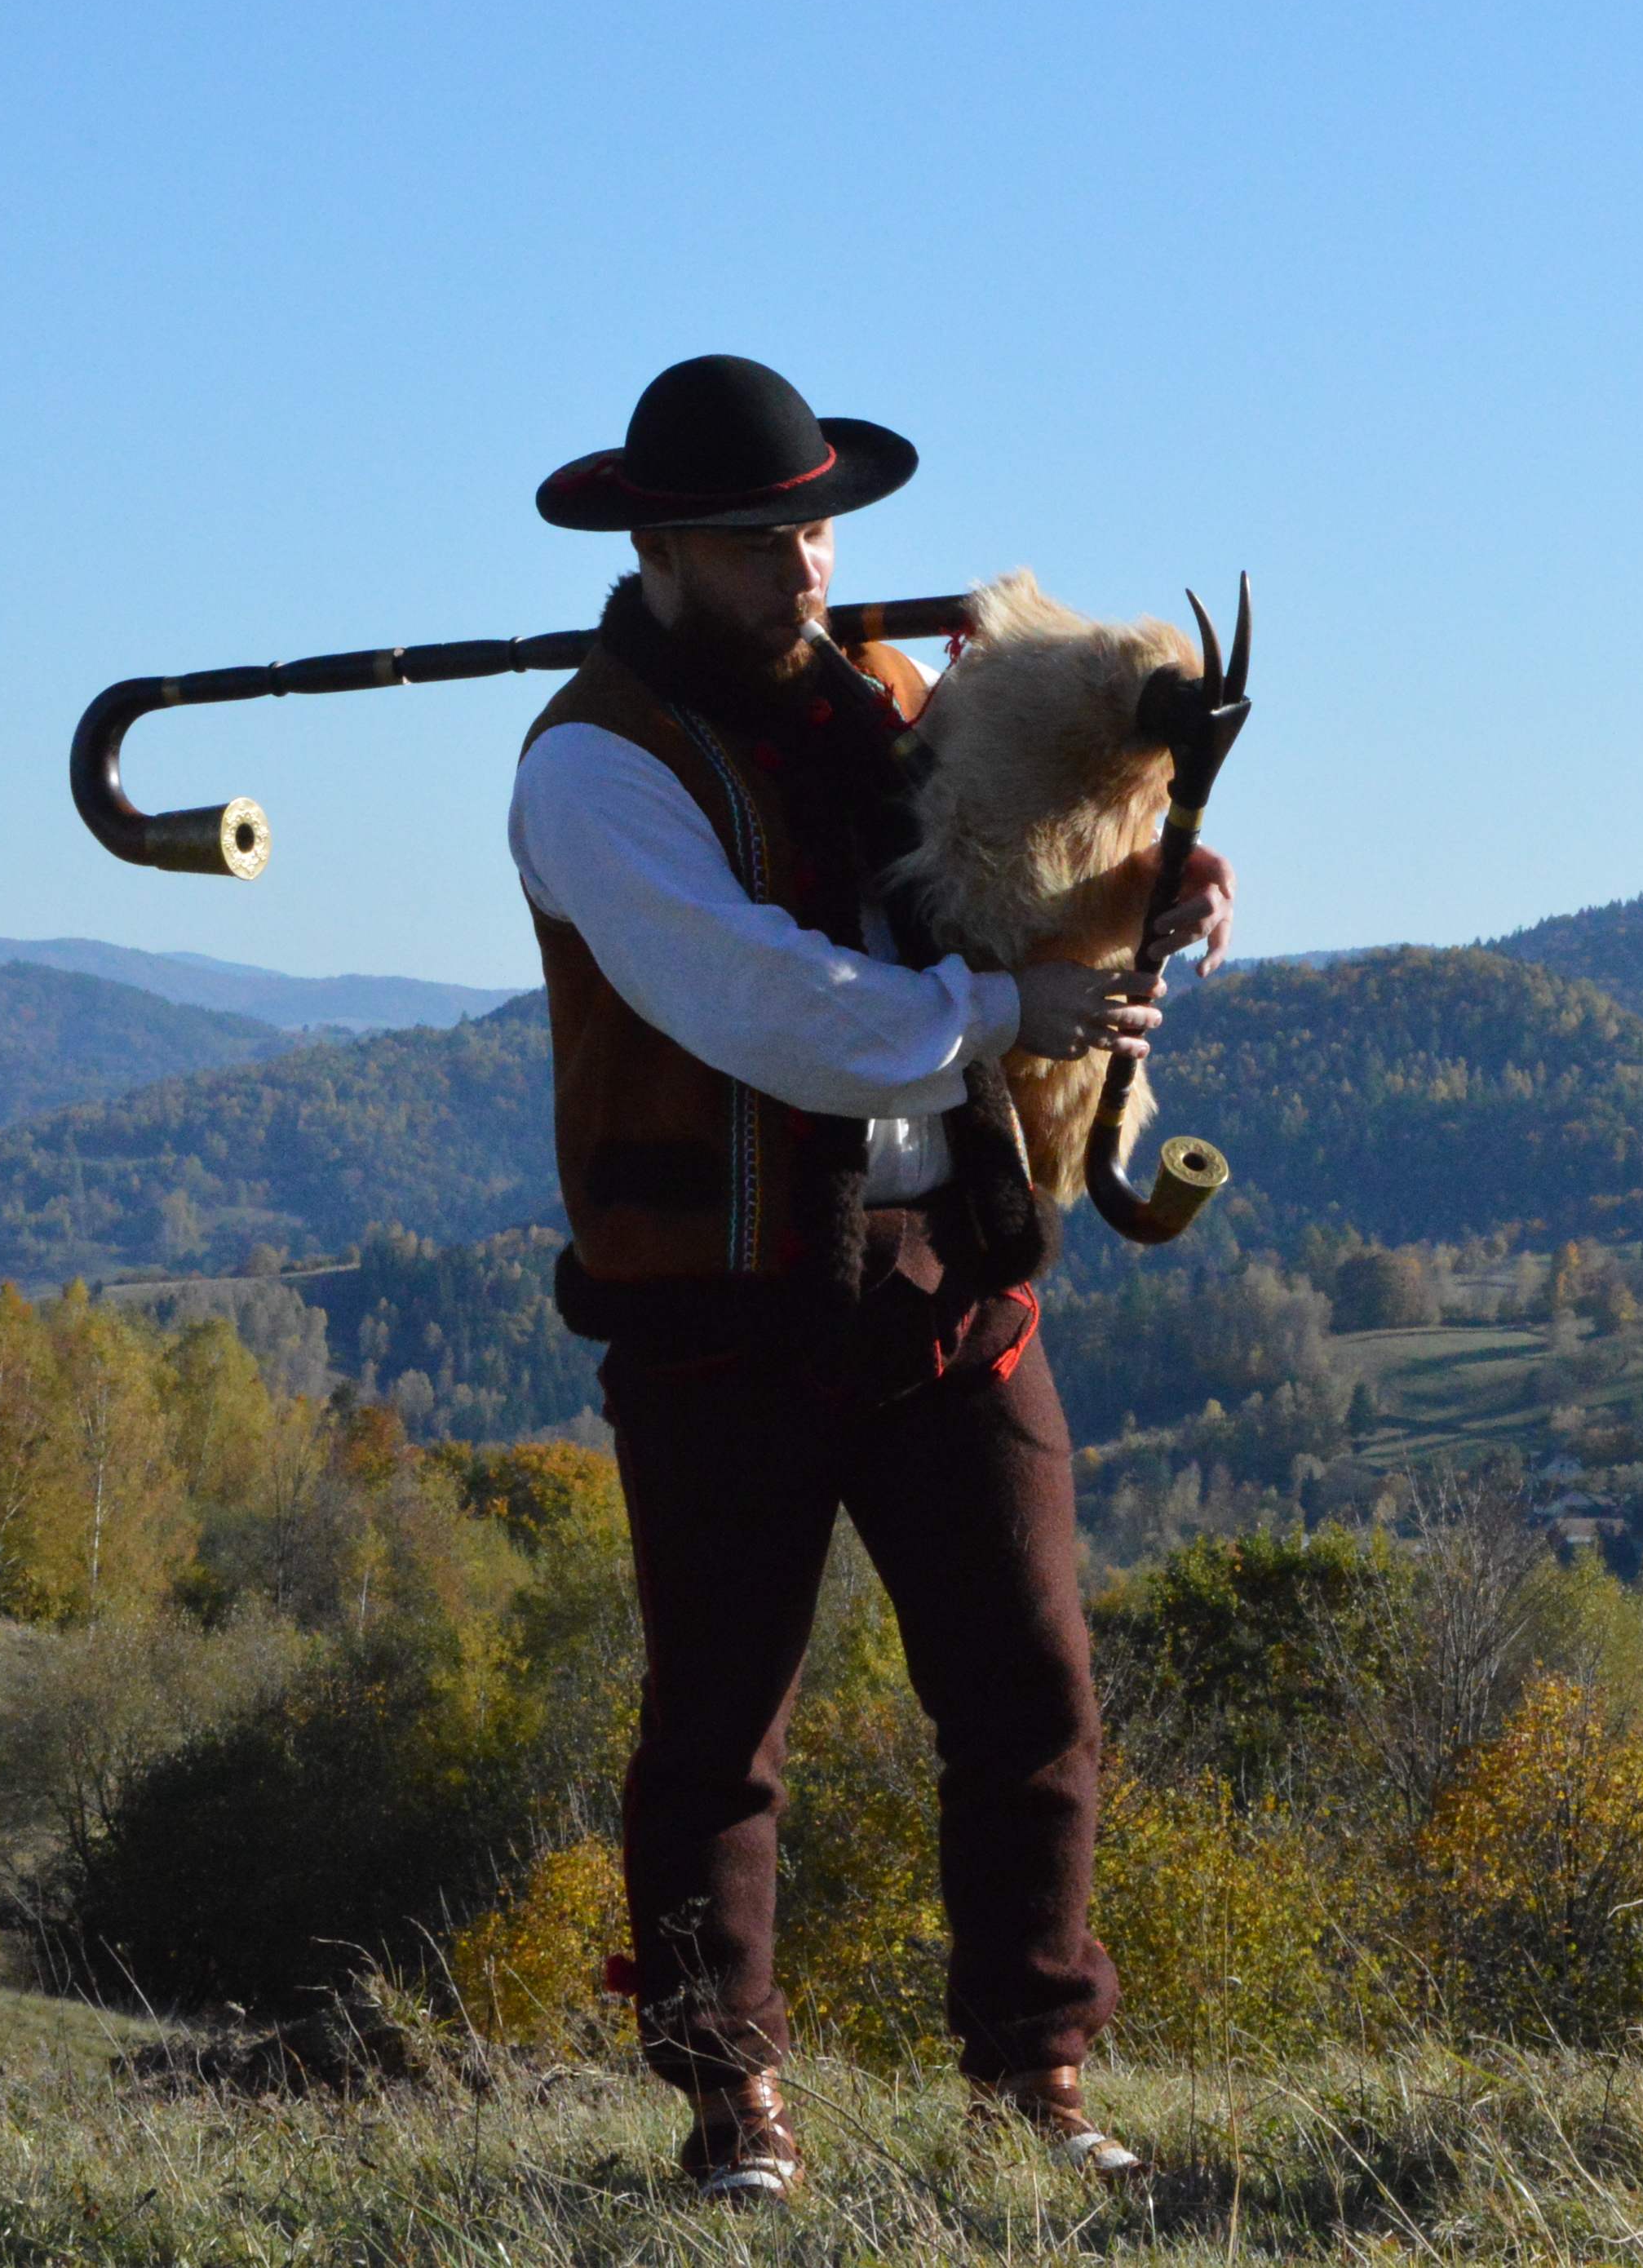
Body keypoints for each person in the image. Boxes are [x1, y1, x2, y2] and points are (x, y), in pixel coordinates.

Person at [508, 354, 1232, 2207]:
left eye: (817, 528)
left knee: (1032, 1689)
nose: (806, 569)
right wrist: (1012, 1008)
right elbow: (772, 1006)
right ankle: (730, 2099)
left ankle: (1036, 2078)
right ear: (664, 549)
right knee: (719, 1727)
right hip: (716, 1307)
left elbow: (988, 899)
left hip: (944, 1269)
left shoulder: (891, 703)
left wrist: (1152, 878)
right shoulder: (592, 769)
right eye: (761, 541)